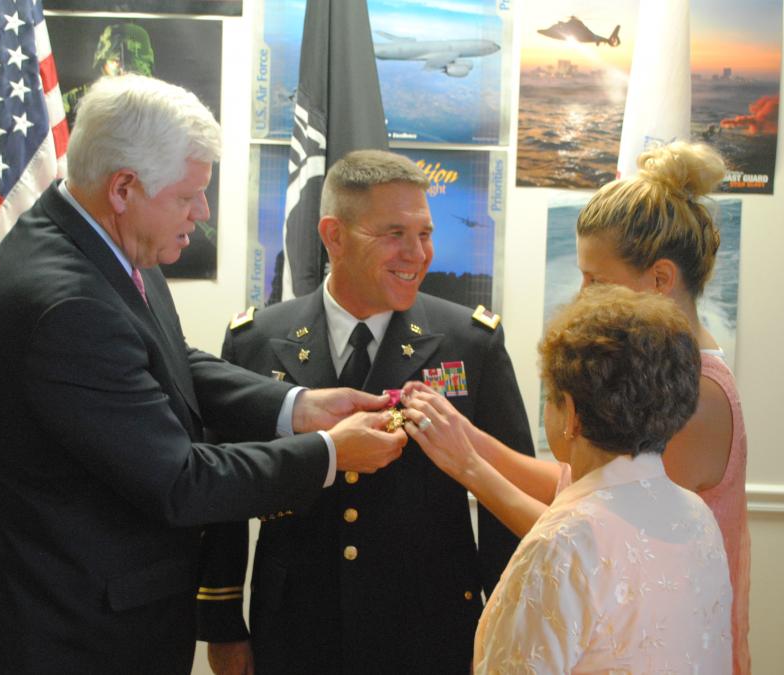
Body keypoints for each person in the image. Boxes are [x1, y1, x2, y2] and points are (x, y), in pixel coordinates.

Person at [0, 75, 407, 674]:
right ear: (123, 188)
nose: (203, 211)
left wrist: (296, 406)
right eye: (188, 195)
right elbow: (180, 481)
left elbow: (171, 361)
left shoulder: (104, 243)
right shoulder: (67, 301)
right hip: (73, 639)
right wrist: (327, 453)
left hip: (103, 617)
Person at [404, 141, 752, 673]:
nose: (582, 293)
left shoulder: (697, 395)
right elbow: (581, 485)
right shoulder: (670, 371)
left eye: (597, 279)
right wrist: (467, 437)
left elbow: (600, 543)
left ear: (660, 278)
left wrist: (470, 468)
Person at [200, 149, 535, 675]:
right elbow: (223, 494)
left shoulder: (471, 342)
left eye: (424, 233)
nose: (416, 253)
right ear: (333, 235)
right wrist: (222, 623)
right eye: (393, 234)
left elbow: (505, 497)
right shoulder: (256, 341)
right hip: (296, 630)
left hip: (430, 629)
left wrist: (510, 628)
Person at [404, 285, 732, 672]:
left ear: (571, 414)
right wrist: (472, 443)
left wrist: (469, 462)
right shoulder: (697, 516)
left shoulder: (561, 541)